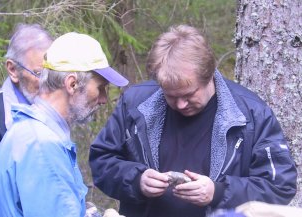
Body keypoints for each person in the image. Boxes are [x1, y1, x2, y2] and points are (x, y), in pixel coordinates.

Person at [89, 24, 297, 217]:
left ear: (209, 76)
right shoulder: (136, 105)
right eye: (170, 95)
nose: (180, 104)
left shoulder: (251, 114)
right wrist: (136, 180)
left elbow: (279, 186)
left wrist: (218, 192)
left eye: (188, 95)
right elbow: (102, 160)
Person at [0, 32, 128, 216]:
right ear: (71, 84)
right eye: (100, 88)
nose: (104, 99)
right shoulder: (42, 147)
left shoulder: (28, 130)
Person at [0, 23, 53, 177]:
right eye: (39, 74)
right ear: (13, 70)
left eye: (52, 73)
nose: (49, 82)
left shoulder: (55, 109)